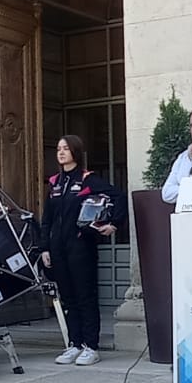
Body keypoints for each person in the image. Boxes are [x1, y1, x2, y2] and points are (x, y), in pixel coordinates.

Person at [40, 134, 125, 365]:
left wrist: (113, 224)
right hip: (58, 248)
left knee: (85, 296)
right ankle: (74, 344)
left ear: (75, 152)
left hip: (81, 246)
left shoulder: (88, 179)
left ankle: (90, 346)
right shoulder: (55, 182)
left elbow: (118, 196)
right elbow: (47, 218)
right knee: (68, 298)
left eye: (65, 149)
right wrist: (44, 247)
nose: (61, 153)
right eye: (58, 149)